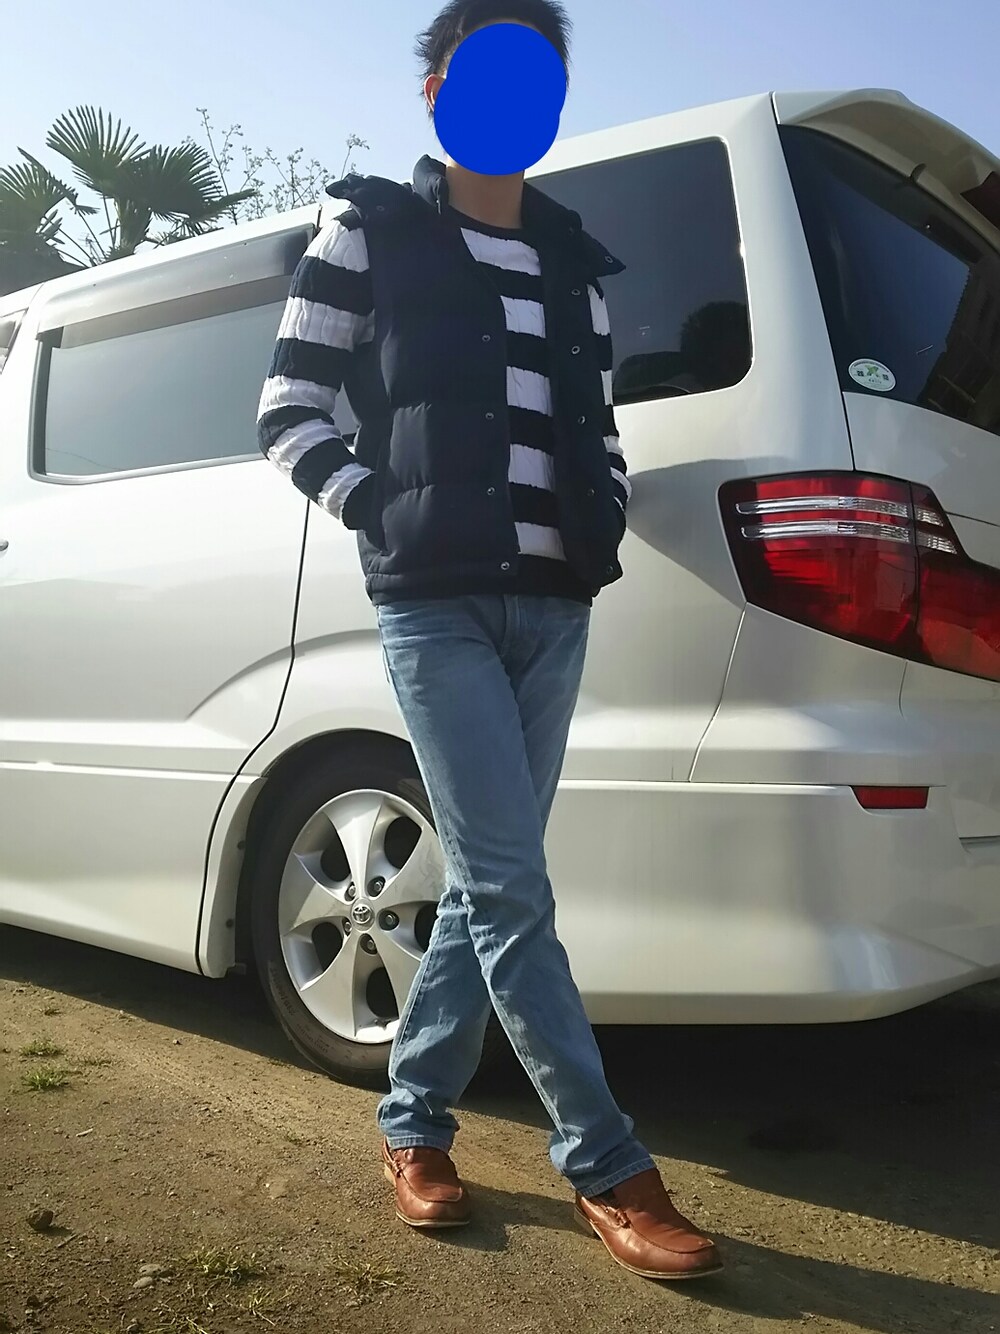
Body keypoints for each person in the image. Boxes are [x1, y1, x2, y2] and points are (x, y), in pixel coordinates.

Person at [257, 0, 721, 1282]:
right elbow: (288, 408)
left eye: (536, 81)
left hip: (555, 601)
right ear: (437, 94)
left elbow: (598, 428)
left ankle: (411, 1122)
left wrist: (602, 514)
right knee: (512, 884)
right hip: (435, 598)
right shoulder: (371, 230)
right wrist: (381, 506)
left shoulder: (574, 261)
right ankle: (607, 1163)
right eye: (486, 74)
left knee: (482, 880)